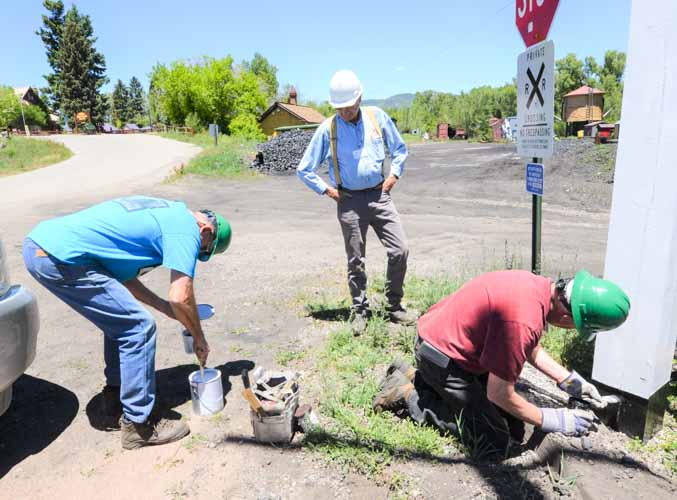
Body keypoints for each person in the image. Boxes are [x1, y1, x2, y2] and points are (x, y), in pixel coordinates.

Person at [23, 196, 232, 450]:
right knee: (139, 328)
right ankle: (139, 425)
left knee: (123, 324)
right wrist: (198, 336)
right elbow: (181, 294)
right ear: (206, 230)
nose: (197, 254)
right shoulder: (187, 229)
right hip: (61, 256)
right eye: (203, 250)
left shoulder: (165, 214)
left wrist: (164, 308)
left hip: (44, 247)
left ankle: (114, 399)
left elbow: (125, 281)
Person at [373, 269, 630, 457]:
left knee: (514, 425)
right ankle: (409, 395)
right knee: (494, 438)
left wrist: (570, 381)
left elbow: (526, 346)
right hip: (443, 357)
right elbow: (499, 393)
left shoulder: (537, 287)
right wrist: (552, 419)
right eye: (576, 326)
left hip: (443, 339)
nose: (571, 329)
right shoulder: (523, 320)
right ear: (567, 315)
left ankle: (417, 377)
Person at [296, 70, 414, 335]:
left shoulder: (377, 117)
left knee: (400, 250)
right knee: (356, 259)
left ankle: (393, 305)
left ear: (359, 98)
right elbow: (304, 168)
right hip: (348, 200)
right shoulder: (328, 128)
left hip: (379, 196)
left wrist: (394, 175)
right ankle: (359, 310)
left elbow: (400, 149)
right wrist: (326, 190)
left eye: (348, 107)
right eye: (339, 108)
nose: (344, 112)